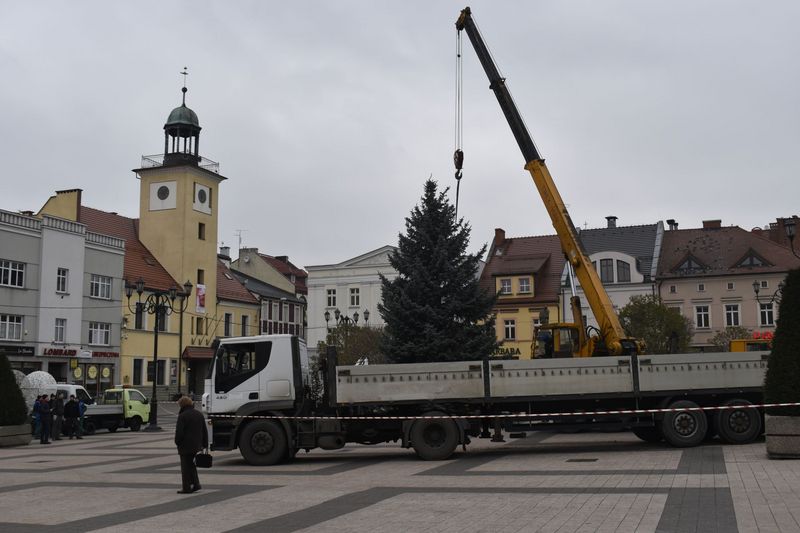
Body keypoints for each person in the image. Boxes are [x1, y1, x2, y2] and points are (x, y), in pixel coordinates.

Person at [174, 395, 207, 494]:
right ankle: (196, 484)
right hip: (197, 445)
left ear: (182, 405)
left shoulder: (182, 416)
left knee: (185, 467)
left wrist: (177, 442)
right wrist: (205, 444)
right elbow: (204, 430)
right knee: (192, 465)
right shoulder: (199, 414)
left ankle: (186, 487)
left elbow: (179, 432)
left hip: (185, 445)